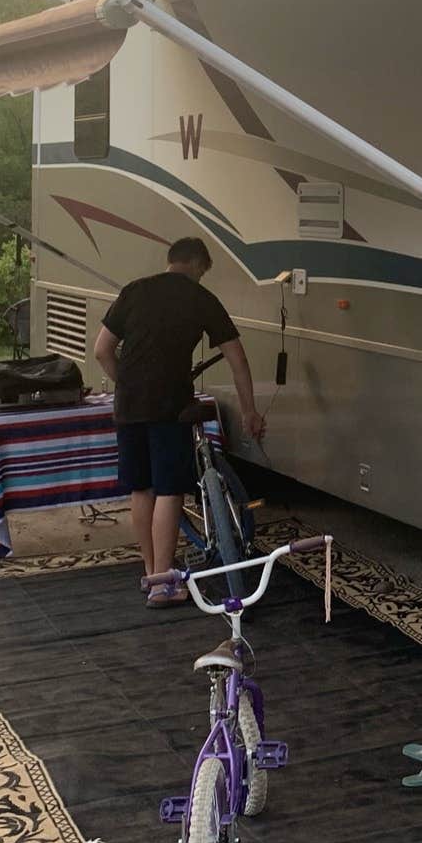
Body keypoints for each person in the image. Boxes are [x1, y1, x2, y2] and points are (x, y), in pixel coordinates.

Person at [92, 237, 267, 608]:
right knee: (169, 489)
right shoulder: (200, 299)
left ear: (170, 260)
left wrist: (126, 381)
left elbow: (101, 350)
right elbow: (237, 358)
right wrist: (250, 409)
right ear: (199, 266)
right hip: (169, 404)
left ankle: (151, 573)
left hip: (128, 404)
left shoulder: (134, 291)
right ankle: (163, 584)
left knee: (141, 489)